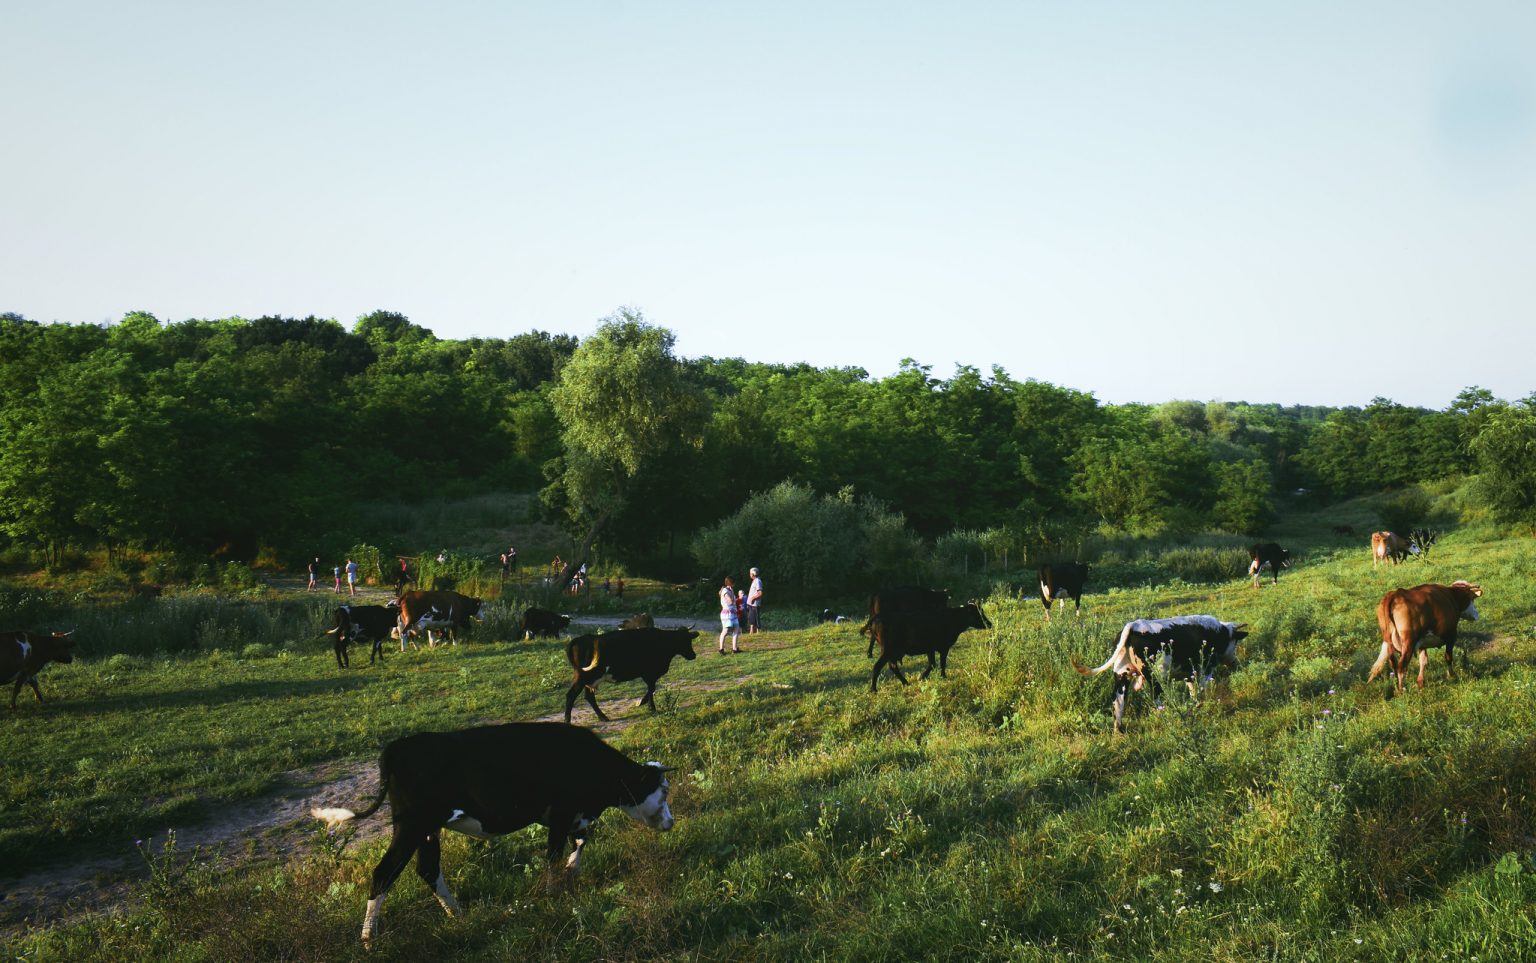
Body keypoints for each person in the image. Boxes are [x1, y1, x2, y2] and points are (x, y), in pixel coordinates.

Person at [718, 575, 741, 655]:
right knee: (726, 631)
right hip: (727, 614)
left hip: (733, 613)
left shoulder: (730, 590)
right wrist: (733, 593)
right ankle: (721, 649)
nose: (735, 584)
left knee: (736, 629)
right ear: (730, 583)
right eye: (733, 582)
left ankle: (735, 649)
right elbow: (730, 602)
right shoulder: (725, 591)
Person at [746, 566, 764, 634]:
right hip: (751, 604)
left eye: (750, 573)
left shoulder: (758, 581)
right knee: (751, 617)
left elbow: (760, 593)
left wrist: (753, 598)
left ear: (753, 574)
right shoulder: (754, 581)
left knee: (756, 617)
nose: (749, 574)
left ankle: (758, 631)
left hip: (755, 603)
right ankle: (751, 631)